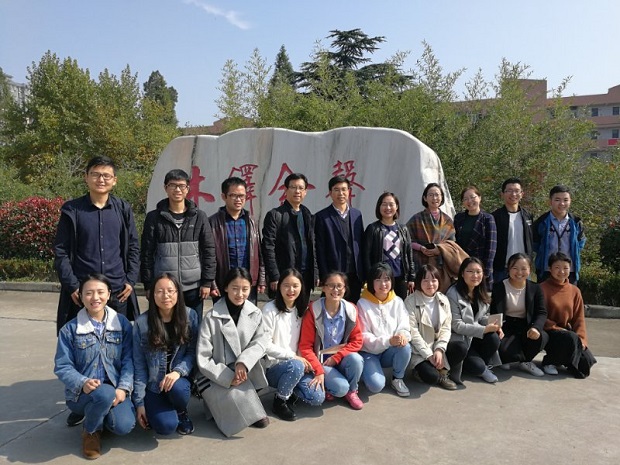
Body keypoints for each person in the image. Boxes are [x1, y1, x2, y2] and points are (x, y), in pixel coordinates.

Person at [54, 155, 140, 427]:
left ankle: (117, 393)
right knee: (80, 346)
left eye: (106, 175)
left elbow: (133, 247)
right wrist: (72, 285)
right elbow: (60, 251)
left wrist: (130, 279)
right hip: (83, 293)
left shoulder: (122, 209)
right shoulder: (73, 210)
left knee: (119, 347)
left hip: (117, 291)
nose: (101, 179)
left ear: (114, 180)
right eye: (95, 174)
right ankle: (81, 399)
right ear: (86, 177)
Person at [54, 274, 135, 460]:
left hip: (115, 390)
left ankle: (99, 415)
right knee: (104, 393)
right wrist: (82, 382)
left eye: (100, 292)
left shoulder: (122, 324)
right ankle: (91, 431)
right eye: (89, 293)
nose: (95, 297)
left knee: (124, 426)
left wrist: (123, 388)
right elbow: (62, 366)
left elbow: (129, 360)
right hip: (82, 395)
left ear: (109, 294)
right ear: (80, 296)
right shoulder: (69, 329)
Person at [195, 268, 269, 437]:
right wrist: (228, 377)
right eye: (235, 288)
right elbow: (203, 358)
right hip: (218, 374)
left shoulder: (255, 313)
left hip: (245, 371)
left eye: (245, 289)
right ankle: (227, 407)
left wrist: (243, 362)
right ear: (226, 288)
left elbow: (260, 342)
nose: (240, 294)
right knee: (232, 414)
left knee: (260, 362)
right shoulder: (212, 316)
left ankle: (245, 404)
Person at [141, 169, 216, 321]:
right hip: (164, 287)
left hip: (193, 287)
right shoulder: (154, 217)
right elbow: (146, 253)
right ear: (165, 188)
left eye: (182, 186)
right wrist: (148, 284)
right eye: (172, 185)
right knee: (163, 327)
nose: (177, 190)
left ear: (188, 188)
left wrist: (207, 282)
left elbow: (209, 251)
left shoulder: (199, 217)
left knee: (192, 326)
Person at [133, 273, 198, 436]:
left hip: (178, 381)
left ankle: (181, 411)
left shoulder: (190, 316)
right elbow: (139, 365)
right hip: (154, 385)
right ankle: (163, 407)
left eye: (170, 291)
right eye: (159, 291)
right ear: (152, 295)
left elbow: (192, 352)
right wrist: (139, 403)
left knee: (178, 389)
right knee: (166, 427)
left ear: (178, 293)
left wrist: (178, 372)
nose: (165, 295)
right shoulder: (142, 323)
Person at [262, 268, 324, 421]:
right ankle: (280, 401)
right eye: (286, 285)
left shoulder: (302, 309)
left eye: (295, 286)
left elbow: (305, 342)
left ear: (302, 287)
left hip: (299, 365)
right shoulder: (270, 310)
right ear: (279, 287)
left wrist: (306, 360)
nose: (291, 290)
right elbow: (265, 345)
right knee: (295, 366)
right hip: (275, 368)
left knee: (317, 397)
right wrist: (294, 357)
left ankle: (290, 390)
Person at [298, 272, 365, 410]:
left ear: (345, 289)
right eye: (331, 286)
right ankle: (332, 387)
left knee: (356, 359)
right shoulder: (313, 311)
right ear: (323, 287)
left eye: (340, 286)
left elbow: (357, 341)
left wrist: (337, 357)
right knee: (341, 388)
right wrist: (318, 370)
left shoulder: (351, 309)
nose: (335, 290)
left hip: (340, 358)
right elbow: (305, 347)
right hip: (321, 361)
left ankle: (352, 391)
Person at [405, 264, 466, 390]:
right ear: (419, 282)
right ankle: (423, 372)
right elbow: (413, 332)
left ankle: (443, 372)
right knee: (431, 377)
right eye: (425, 280)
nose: (430, 284)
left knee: (461, 347)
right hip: (419, 350)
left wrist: (439, 349)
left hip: (437, 346)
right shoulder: (410, 301)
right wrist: (428, 354)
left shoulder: (443, 299)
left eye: (434, 280)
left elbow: (446, 328)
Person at [357, 262, 412, 397]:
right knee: (376, 385)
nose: (383, 284)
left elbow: (404, 324)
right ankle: (365, 371)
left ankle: (397, 378)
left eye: (387, 279)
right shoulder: (362, 303)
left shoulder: (397, 301)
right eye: (378, 280)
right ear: (371, 282)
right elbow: (363, 336)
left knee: (405, 347)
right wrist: (388, 341)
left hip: (389, 351)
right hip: (370, 353)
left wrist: (402, 335)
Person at [209, 177, 266, 304]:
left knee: (248, 314)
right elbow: (208, 256)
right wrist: (212, 283)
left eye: (242, 196)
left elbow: (259, 253)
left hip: (248, 283)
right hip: (223, 282)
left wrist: (261, 279)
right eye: (233, 195)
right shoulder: (213, 222)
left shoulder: (251, 221)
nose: (238, 199)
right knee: (223, 315)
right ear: (224, 197)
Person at [490, 253, 548, 377]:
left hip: (526, 325)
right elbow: (493, 311)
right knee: (506, 351)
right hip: (506, 326)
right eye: (515, 268)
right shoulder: (499, 287)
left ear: (529, 270)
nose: (519, 272)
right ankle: (507, 358)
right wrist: (497, 327)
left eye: (524, 268)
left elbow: (541, 312)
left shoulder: (535, 288)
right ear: (508, 269)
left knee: (542, 337)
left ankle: (526, 361)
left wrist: (536, 327)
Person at [540, 253, 597, 378]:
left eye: (565, 268)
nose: (561, 271)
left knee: (586, 363)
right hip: (549, 331)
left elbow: (579, 318)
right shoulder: (542, 288)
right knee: (570, 338)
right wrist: (556, 328)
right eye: (557, 267)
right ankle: (549, 361)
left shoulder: (574, 291)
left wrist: (582, 339)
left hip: (568, 332)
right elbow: (539, 315)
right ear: (549, 269)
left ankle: (563, 360)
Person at [262, 173, 318, 299]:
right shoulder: (275, 215)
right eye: (293, 187)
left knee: (302, 309)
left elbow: (312, 246)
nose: (297, 191)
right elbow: (268, 248)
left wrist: (315, 273)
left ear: (305, 192)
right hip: (284, 275)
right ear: (286, 190)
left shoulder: (307, 214)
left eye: (301, 188)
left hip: (305, 275)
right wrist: (275, 276)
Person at [446, 258, 502, 384]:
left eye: (478, 272)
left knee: (494, 338)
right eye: (470, 271)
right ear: (462, 273)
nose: (475, 275)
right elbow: (456, 325)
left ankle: (481, 363)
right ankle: (475, 366)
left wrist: (495, 325)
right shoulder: (453, 294)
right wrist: (484, 329)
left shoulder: (481, 291)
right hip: (459, 340)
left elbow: (482, 317)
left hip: (474, 337)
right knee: (477, 367)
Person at [315, 176, 365, 302]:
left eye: (344, 189)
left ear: (349, 191)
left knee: (352, 308)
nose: (341, 193)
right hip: (333, 274)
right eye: (336, 190)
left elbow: (361, 243)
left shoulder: (356, 215)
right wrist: (324, 275)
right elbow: (320, 249)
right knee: (332, 307)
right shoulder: (321, 217)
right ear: (330, 193)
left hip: (354, 274)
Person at [363, 192, 415, 300]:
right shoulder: (373, 229)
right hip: (380, 279)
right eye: (384, 204)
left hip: (400, 277)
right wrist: (369, 277)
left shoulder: (403, 229)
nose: (388, 208)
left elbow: (409, 254)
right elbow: (365, 255)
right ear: (379, 207)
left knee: (399, 305)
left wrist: (411, 277)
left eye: (391, 204)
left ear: (397, 207)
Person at [533, 185, 585, 284]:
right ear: (550, 201)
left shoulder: (576, 222)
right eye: (557, 200)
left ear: (570, 201)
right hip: (546, 270)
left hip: (569, 271)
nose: (562, 203)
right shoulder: (541, 222)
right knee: (544, 294)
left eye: (565, 200)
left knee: (569, 294)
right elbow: (535, 244)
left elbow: (581, 242)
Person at [407, 182, 456, 276]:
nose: (434, 198)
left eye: (437, 195)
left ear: (442, 197)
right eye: (431, 195)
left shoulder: (447, 220)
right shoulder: (416, 219)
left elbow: (452, 243)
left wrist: (440, 249)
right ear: (425, 198)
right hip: (420, 263)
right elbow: (406, 239)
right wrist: (421, 248)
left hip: (442, 264)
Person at [454, 185, 497, 289]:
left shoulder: (488, 218)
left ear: (479, 198)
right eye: (465, 199)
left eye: (473, 197)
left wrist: (486, 272)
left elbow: (491, 247)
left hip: (480, 267)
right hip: (463, 265)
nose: (469, 201)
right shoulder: (459, 218)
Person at [491, 178, 534, 283]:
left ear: (522, 194)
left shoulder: (527, 216)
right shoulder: (495, 217)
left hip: (523, 268)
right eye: (509, 191)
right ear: (502, 194)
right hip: (502, 268)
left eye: (517, 191)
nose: (513, 194)